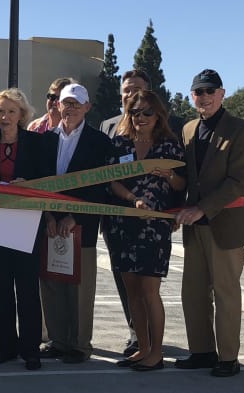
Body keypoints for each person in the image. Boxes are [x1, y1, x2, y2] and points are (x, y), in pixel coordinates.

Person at [174, 69, 244, 377]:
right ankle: (202, 351)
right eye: (198, 92)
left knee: (225, 293)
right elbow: (187, 178)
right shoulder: (188, 129)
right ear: (192, 95)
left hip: (225, 225)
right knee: (192, 292)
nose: (204, 97)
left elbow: (238, 181)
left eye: (210, 91)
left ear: (222, 94)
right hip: (194, 228)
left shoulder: (241, 130)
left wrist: (201, 209)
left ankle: (228, 358)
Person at [107, 90, 185, 371]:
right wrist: (132, 199)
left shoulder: (169, 145)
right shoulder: (120, 143)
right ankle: (141, 347)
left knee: (150, 290)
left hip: (154, 227)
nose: (140, 117)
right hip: (123, 224)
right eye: (135, 112)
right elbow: (112, 180)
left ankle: (156, 352)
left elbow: (181, 187)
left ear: (159, 115)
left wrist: (171, 176)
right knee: (132, 292)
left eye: (147, 112)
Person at [39, 83, 112, 363]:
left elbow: (100, 186)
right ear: (57, 105)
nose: (69, 108)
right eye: (65, 103)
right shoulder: (46, 139)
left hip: (82, 226)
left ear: (87, 107)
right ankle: (58, 340)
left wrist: (74, 217)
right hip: (50, 223)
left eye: (75, 103)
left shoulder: (100, 142)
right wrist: (48, 215)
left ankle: (80, 345)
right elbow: (41, 181)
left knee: (79, 288)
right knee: (52, 282)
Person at [0, 88, 44, 370]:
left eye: (11, 112)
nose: (5, 116)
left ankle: (31, 349)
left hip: (25, 220)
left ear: (21, 115)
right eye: (1, 111)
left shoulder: (38, 144)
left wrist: (27, 184)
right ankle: (5, 346)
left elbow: (46, 180)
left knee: (27, 288)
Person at [98, 69, 152, 357]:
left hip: (149, 216)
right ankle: (136, 333)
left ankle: (149, 333)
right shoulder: (108, 125)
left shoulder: (161, 124)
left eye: (136, 90)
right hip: (114, 216)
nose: (130, 95)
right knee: (123, 278)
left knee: (147, 280)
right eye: (126, 91)